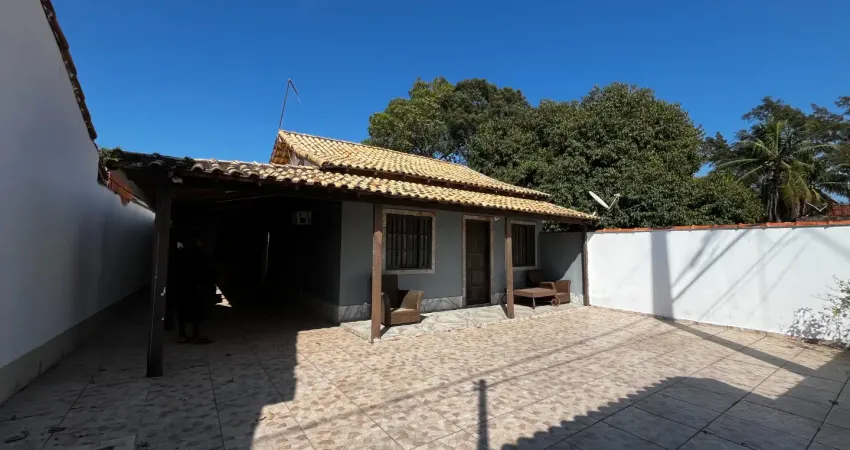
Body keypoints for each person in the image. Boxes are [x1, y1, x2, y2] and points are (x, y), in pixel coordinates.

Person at [176, 232, 214, 344]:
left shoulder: (183, 253)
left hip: (184, 285)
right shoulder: (202, 254)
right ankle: (195, 335)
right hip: (198, 286)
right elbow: (206, 271)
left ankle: (182, 334)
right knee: (197, 311)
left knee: (183, 310)